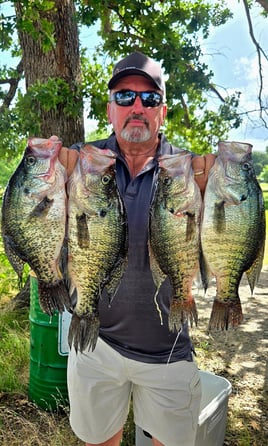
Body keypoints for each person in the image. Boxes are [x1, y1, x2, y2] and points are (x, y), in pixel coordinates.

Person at [61, 51, 215, 446]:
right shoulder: (81, 163)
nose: (137, 107)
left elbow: (224, 235)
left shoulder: (184, 171)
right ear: (109, 108)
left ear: (162, 111)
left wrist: (219, 188)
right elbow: (32, 215)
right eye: (125, 97)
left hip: (168, 348)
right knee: (98, 440)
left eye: (148, 99)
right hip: (95, 343)